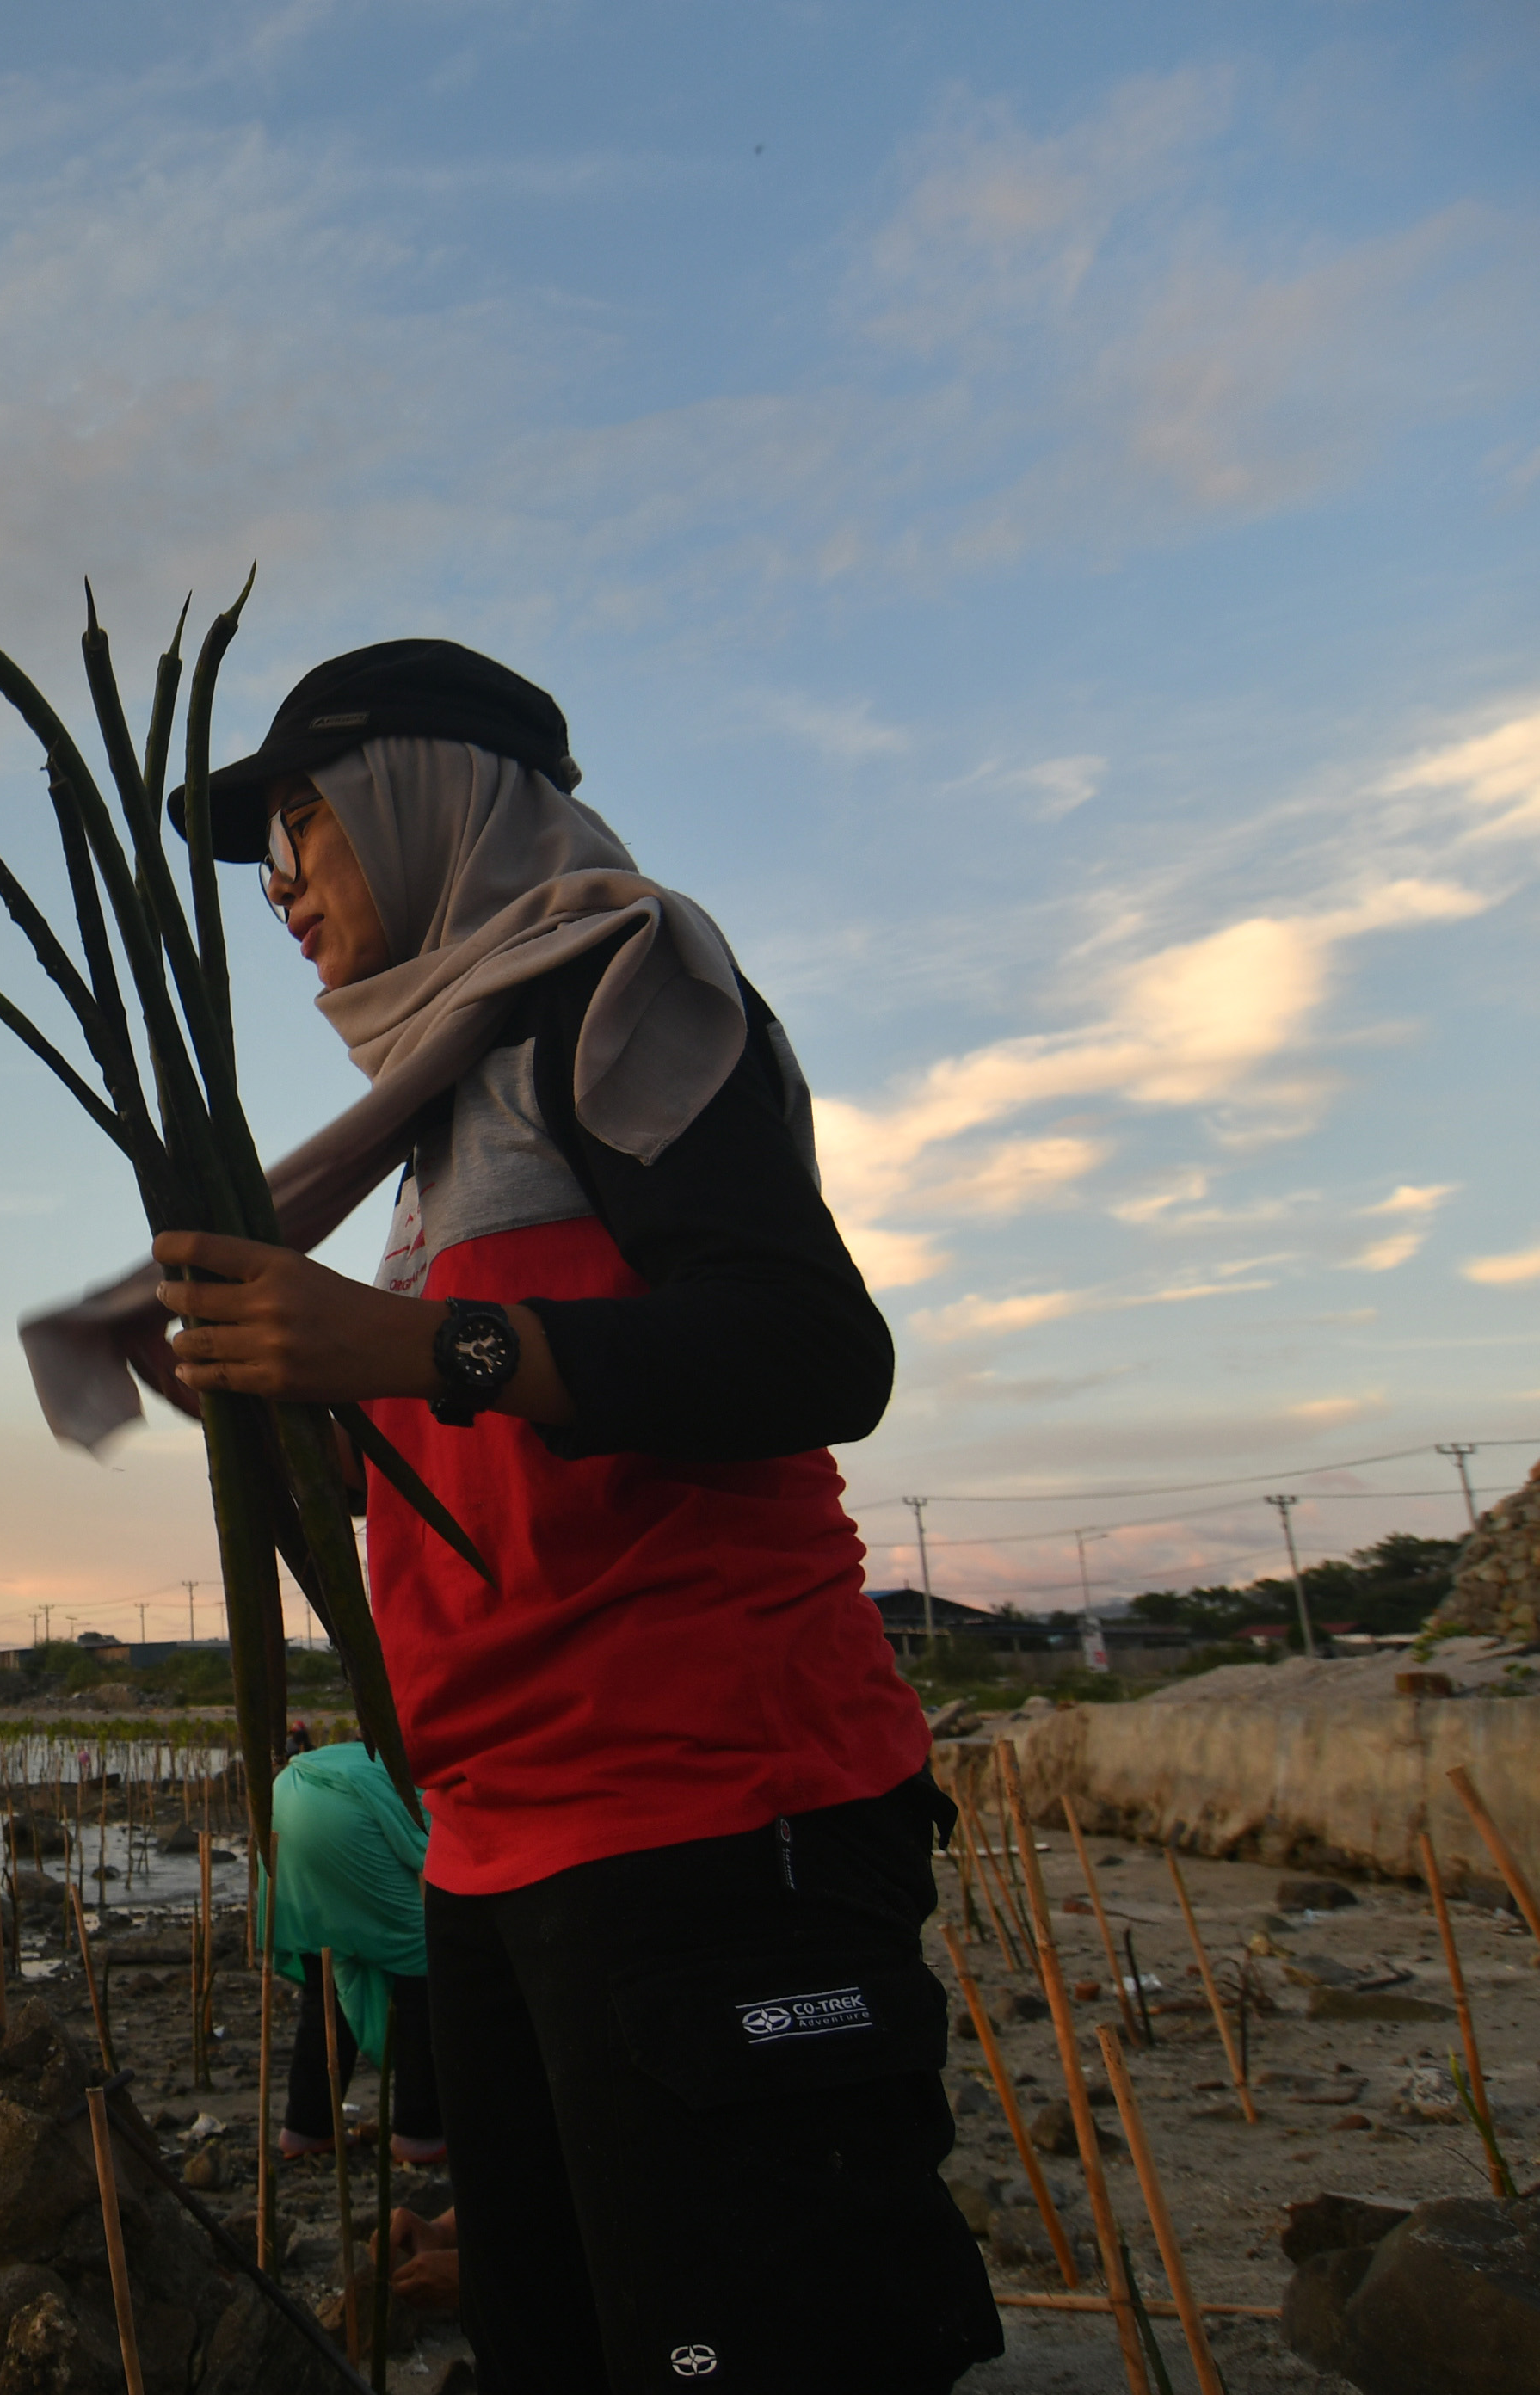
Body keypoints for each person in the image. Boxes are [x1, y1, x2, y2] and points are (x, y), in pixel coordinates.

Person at [103, 642, 998, 2392]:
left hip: (712, 1817)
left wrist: (407, 1342)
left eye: (303, 832)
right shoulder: (440, 1117)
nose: (278, 889)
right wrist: (296, 1413)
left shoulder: (624, 986)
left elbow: (813, 1349)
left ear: (426, 800)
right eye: (263, 856)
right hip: (501, 1840)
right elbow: (493, 1457)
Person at [263, 1739, 446, 2168]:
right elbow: (436, 1851)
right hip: (337, 1813)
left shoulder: (384, 1751)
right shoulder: (438, 1773)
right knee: (418, 1968)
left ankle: (306, 2127)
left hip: (283, 1798)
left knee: (326, 1971)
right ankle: (418, 2133)